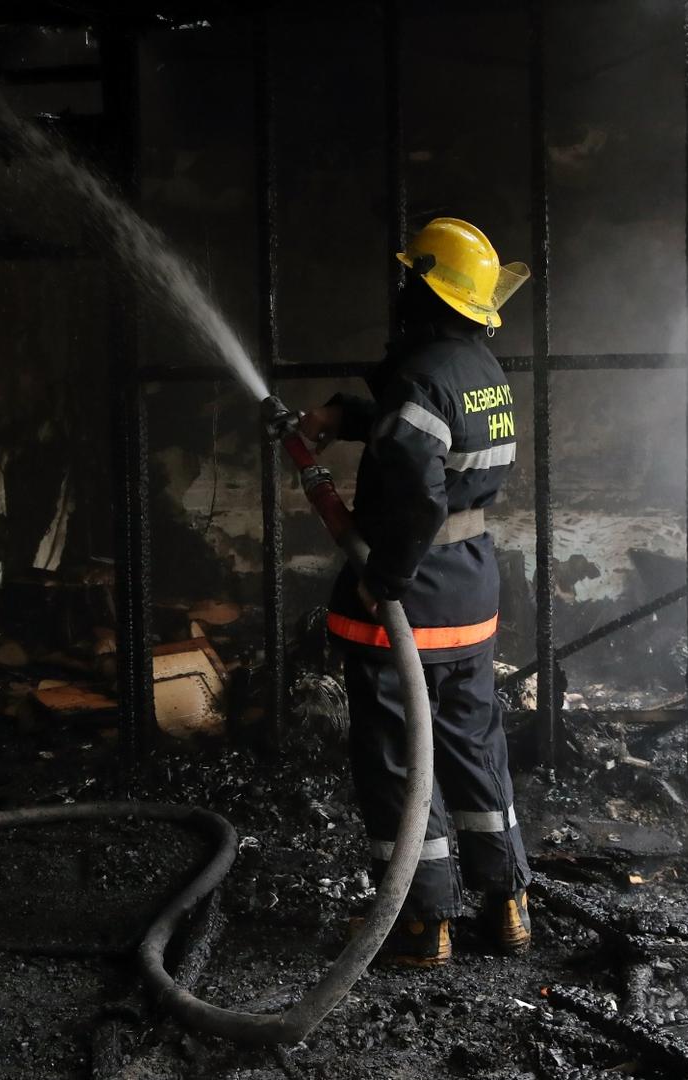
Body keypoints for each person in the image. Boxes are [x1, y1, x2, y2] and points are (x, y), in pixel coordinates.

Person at [297, 217, 532, 967]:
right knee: (472, 745)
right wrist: (346, 414)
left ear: (420, 288)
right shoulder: (478, 367)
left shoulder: (421, 372)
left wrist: (382, 578)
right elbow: (429, 433)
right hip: (470, 588)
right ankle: (507, 905)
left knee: (400, 756)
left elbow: (416, 488)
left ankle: (422, 923)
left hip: (413, 594)